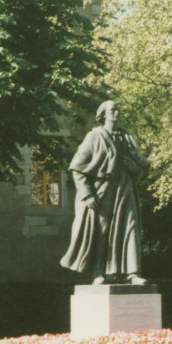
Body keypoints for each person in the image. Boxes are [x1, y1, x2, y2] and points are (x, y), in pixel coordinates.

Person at [60, 100, 150, 285]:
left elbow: (141, 168)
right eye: (112, 110)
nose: (116, 113)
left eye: (118, 109)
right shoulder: (94, 136)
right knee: (101, 232)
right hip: (103, 191)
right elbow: (77, 168)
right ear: (103, 114)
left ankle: (132, 273)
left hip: (125, 190)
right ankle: (98, 271)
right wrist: (87, 193)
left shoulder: (127, 137)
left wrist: (135, 169)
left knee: (130, 227)